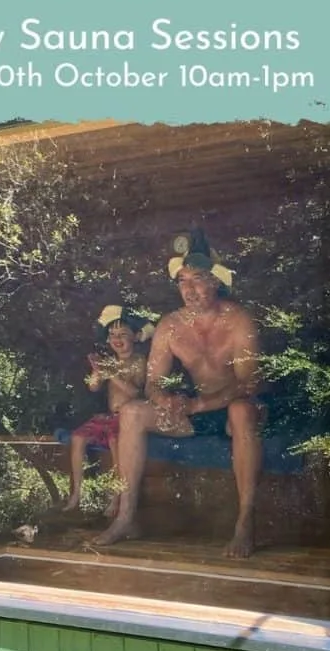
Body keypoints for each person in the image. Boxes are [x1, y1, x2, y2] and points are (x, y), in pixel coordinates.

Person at [94, 234, 263, 557]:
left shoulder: (239, 319)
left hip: (236, 408)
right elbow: (153, 383)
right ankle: (126, 517)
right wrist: (166, 401)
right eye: (183, 280)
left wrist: (199, 404)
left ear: (215, 281)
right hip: (197, 411)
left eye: (197, 278)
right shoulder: (170, 326)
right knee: (131, 412)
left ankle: (245, 521)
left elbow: (248, 383)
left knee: (241, 409)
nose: (189, 289)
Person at [63, 305, 153, 513]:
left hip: (127, 418)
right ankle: (76, 493)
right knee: (77, 438)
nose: (117, 339)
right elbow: (93, 387)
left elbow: (135, 393)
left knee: (115, 443)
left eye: (123, 334)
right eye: (112, 334)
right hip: (108, 415)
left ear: (136, 336)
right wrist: (97, 371)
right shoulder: (110, 362)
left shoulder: (138, 362)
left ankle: (116, 498)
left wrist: (111, 373)